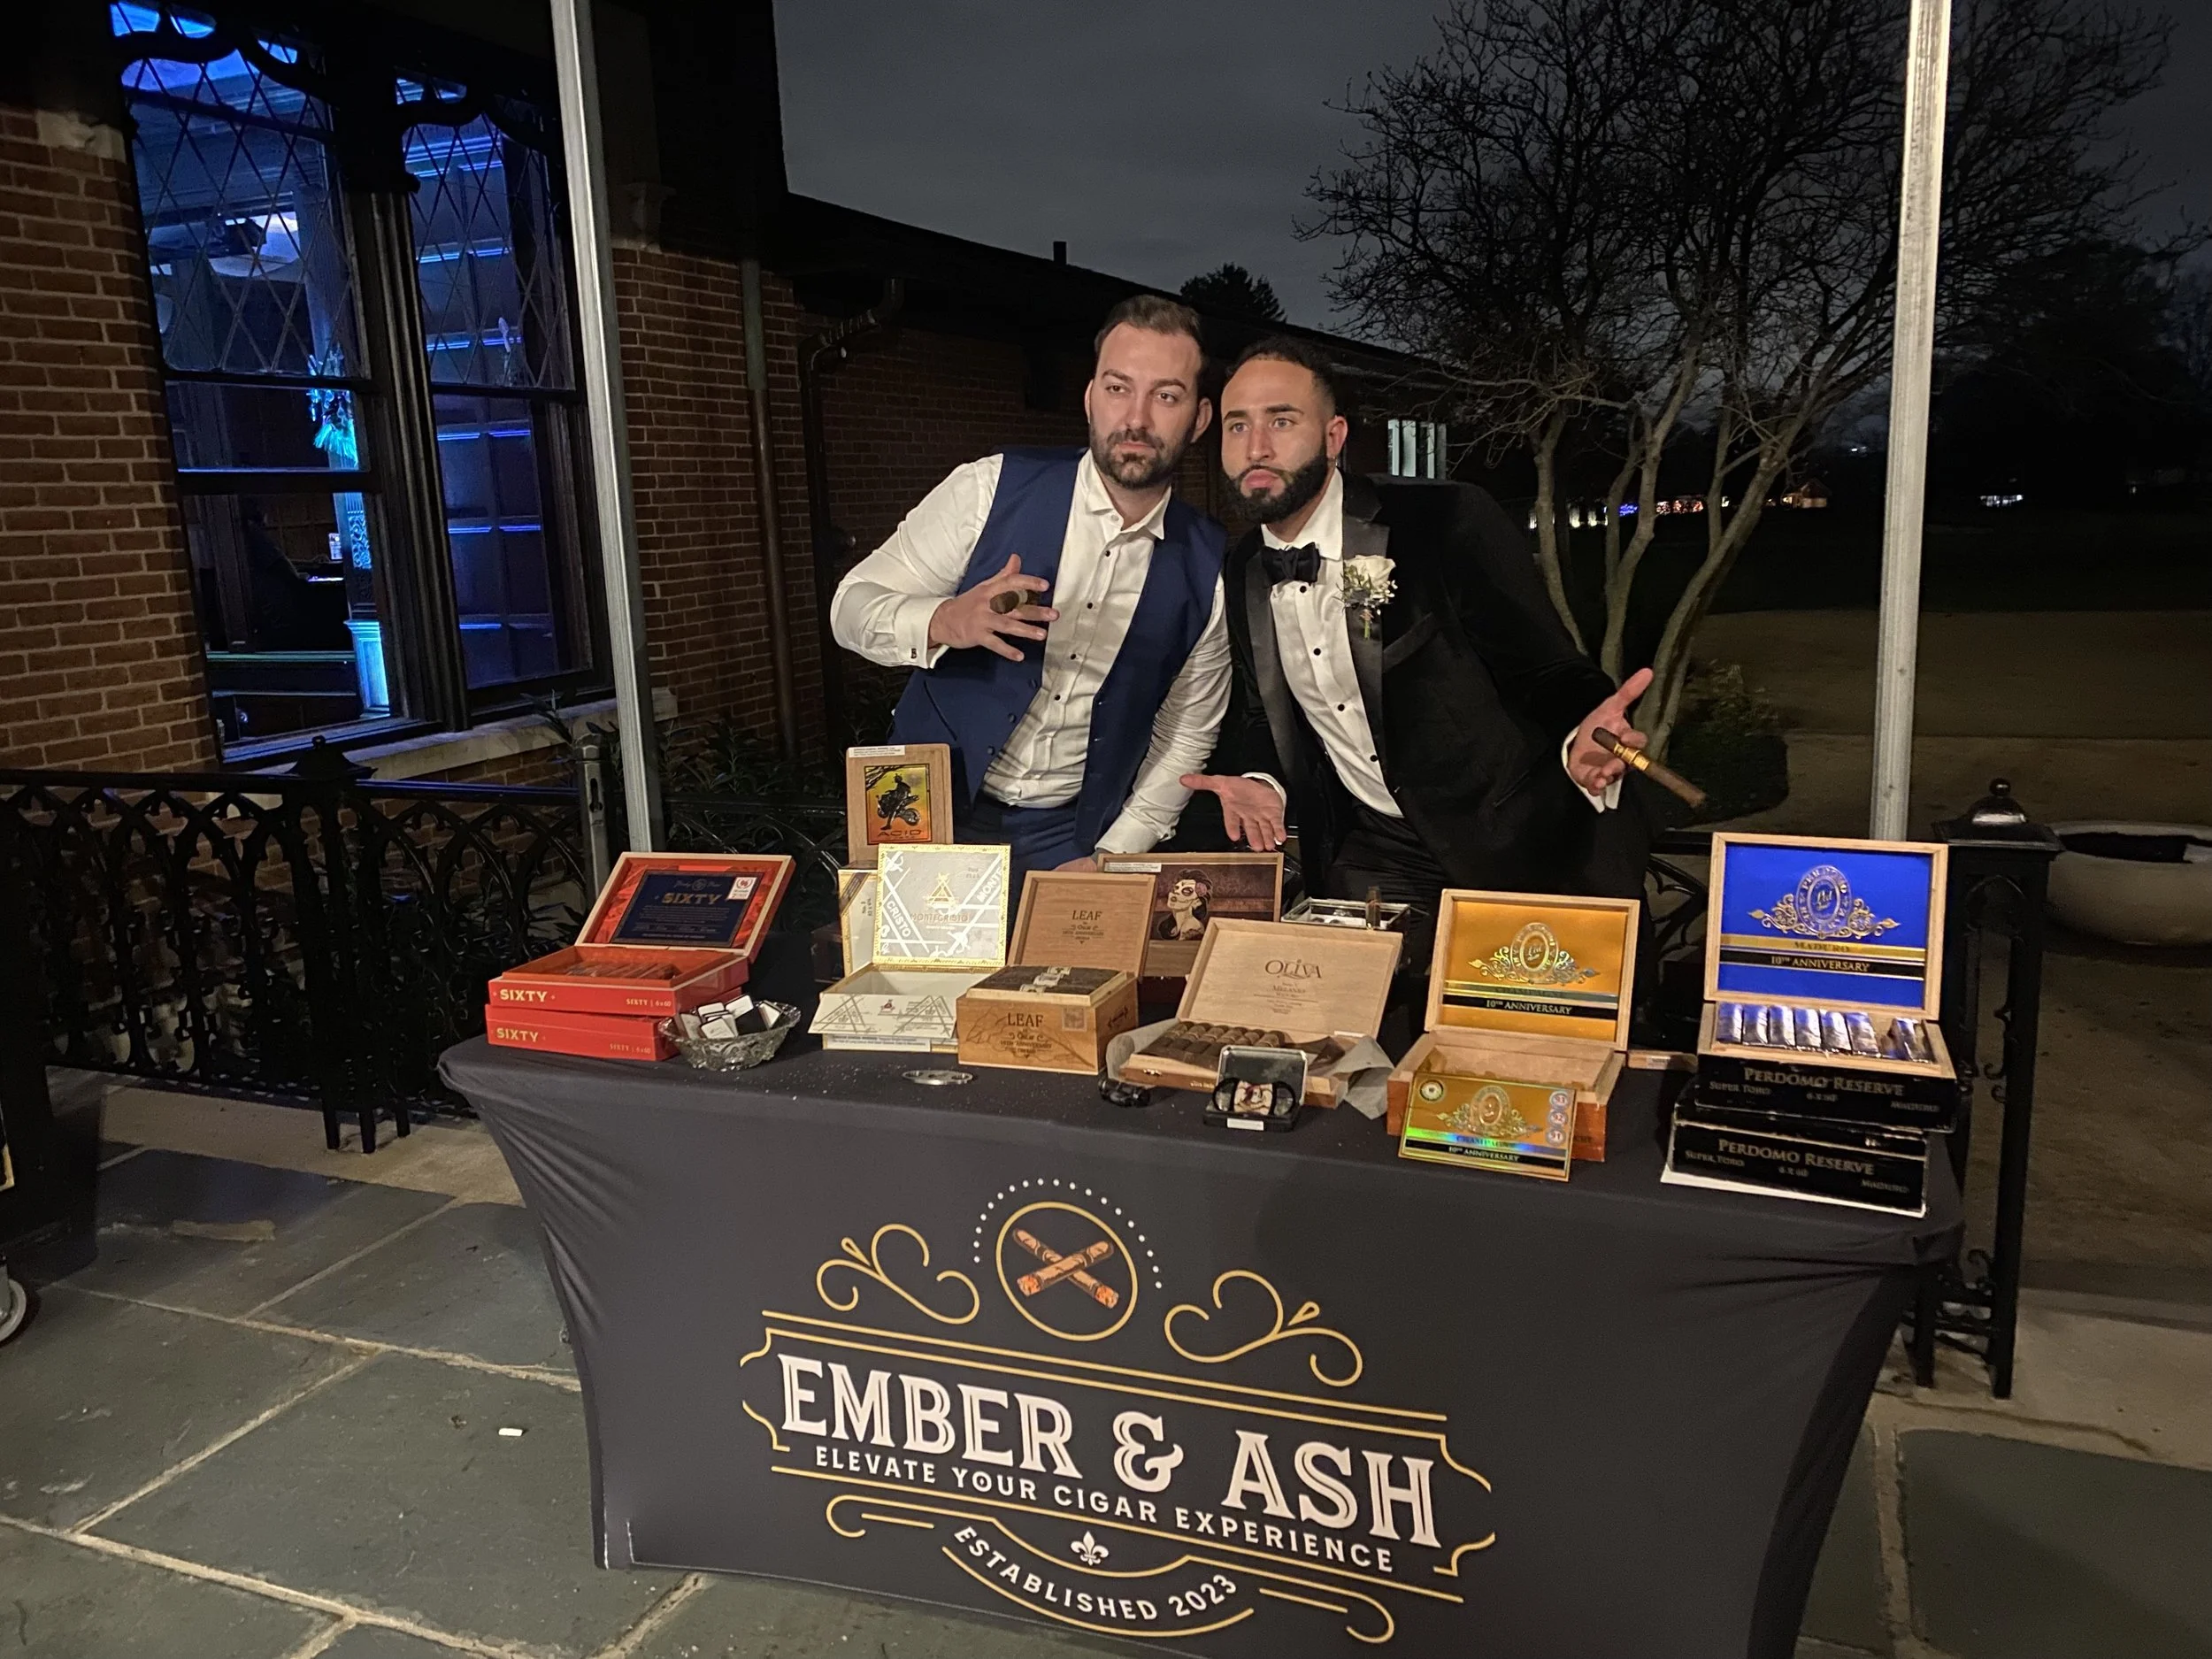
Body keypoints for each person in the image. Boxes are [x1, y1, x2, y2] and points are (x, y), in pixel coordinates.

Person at [1182, 336, 1654, 917]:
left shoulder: (1446, 519)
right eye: (1237, 426)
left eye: (1281, 420)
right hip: (1378, 851)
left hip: (1521, 841)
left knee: (1513, 1006)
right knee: (1331, 997)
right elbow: (1262, 713)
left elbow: (1549, 670)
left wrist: (1583, 732)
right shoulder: (1246, 567)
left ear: (1333, 438)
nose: (1256, 446)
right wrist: (1263, 779)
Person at [831, 296, 1230, 892]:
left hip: (1073, 839)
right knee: (911, 988)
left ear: (1199, 420)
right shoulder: (988, 487)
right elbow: (849, 608)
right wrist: (942, 620)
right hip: (923, 811)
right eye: (1119, 388)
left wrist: (1113, 854)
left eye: (1166, 396)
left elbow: (1186, 734)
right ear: (1091, 397)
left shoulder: (1208, 564)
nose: (1137, 418)